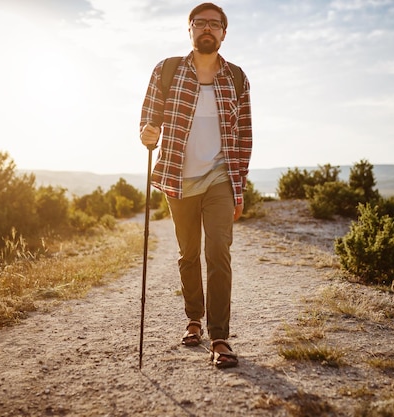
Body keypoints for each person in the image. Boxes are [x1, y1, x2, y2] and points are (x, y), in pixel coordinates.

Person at [139, 2, 252, 368]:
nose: (207, 28)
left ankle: (220, 337)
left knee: (218, 252)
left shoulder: (236, 78)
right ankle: (194, 320)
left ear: (224, 32)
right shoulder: (167, 70)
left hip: (220, 177)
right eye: (200, 23)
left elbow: (243, 137)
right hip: (178, 178)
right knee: (188, 254)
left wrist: (239, 188)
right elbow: (147, 121)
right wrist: (148, 134)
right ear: (189, 30)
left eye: (214, 24)